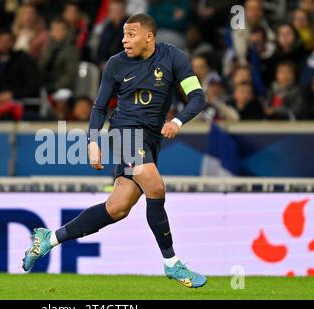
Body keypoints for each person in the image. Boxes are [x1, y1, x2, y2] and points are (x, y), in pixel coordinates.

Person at [22, 13, 207, 288]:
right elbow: (98, 107)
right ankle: (172, 263)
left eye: (131, 34)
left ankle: (50, 238)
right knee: (154, 186)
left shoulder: (174, 58)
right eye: (123, 34)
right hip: (124, 134)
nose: (124, 40)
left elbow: (197, 96)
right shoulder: (115, 64)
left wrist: (177, 121)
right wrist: (93, 141)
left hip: (151, 139)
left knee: (118, 208)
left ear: (149, 37)